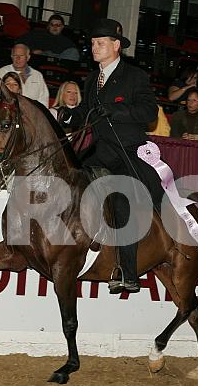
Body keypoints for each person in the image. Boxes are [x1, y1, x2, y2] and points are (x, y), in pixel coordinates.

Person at [67, 18, 164, 294]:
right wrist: (69, 115)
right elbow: (86, 111)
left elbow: (149, 112)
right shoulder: (91, 80)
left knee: (122, 200)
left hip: (127, 151)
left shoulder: (135, 76)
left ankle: (128, 272)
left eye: (100, 43)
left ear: (116, 46)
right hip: (99, 150)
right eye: (93, 44)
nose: (94, 48)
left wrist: (118, 111)